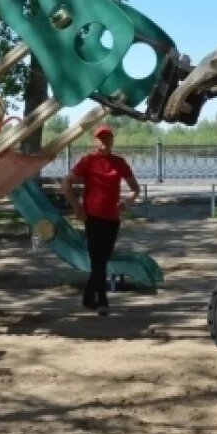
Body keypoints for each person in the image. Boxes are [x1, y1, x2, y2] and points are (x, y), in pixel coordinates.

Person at [62, 124, 140, 315]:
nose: (103, 142)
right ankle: (102, 301)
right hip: (93, 216)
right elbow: (66, 183)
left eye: (107, 139)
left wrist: (127, 202)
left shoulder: (119, 163)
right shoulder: (88, 160)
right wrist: (76, 206)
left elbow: (135, 189)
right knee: (98, 260)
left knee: (103, 259)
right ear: (95, 141)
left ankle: (89, 298)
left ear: (112, 141)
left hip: (112, 218)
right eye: (100, 139)